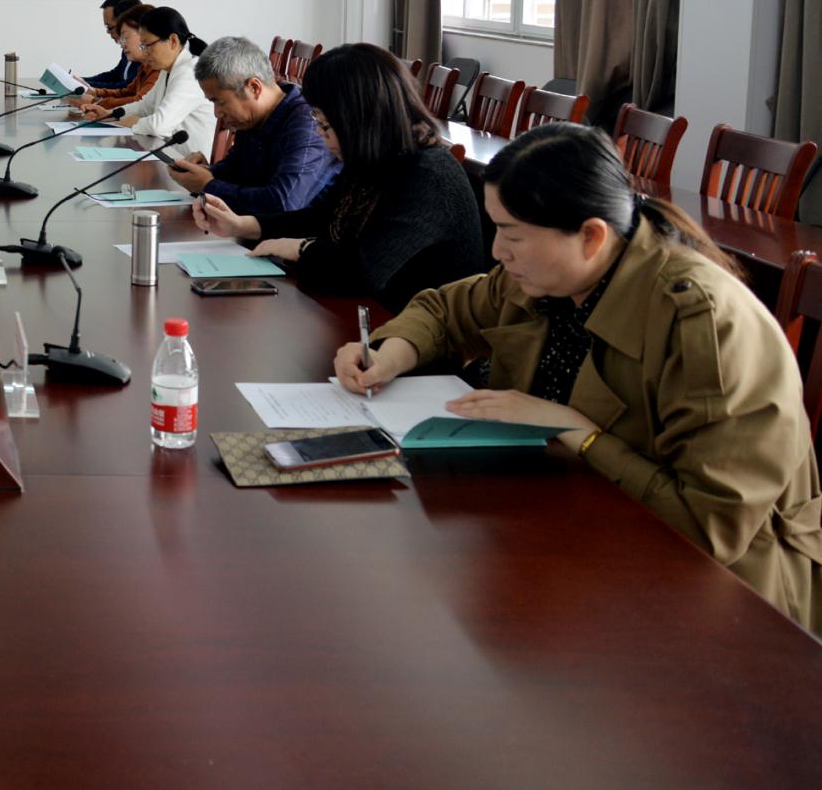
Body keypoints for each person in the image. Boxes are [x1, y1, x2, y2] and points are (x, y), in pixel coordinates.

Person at [337, 123, 822, 631]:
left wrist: (576, 430)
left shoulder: (704, 325)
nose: (497, 250)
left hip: (725, 600)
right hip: (583, 525)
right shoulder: (548, 272)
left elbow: (710, 529)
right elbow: (447, 309)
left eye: (512, 234)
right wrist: (392, 352)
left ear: (591, 236)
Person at [192, 44, 485, 310]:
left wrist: (300, 248)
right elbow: (322, 216)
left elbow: (362, 270)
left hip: (421, 334)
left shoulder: (427, 175)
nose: (321, 135)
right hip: (370, 315)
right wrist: (243, 225)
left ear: (359, 120)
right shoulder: (375, 157)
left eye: (325, 125)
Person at [167, 36, 337, 215]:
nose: (217, 113)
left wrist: (207, 185)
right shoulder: (252, 117)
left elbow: (284, 203)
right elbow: (237, 169)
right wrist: (207, 172)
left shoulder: (307, 124)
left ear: (254, 88)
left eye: (220, 102)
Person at [85, 5, 216, 155]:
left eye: (147, 45)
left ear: (173, 41)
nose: (145, 52)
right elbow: (144, 106)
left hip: (194, 162)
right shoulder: (168, 70)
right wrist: (109, 114)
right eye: (142, 46)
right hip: (173, 156)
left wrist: (129, 122)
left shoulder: (189, 73)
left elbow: (158, 126)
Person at [80, 0, 143, 91]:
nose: (108, 32)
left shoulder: (144, 56)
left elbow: (126, 88)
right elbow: (116, 75)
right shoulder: (128, 48)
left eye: (110, 27)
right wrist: (82, 81)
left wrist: (86, 87)